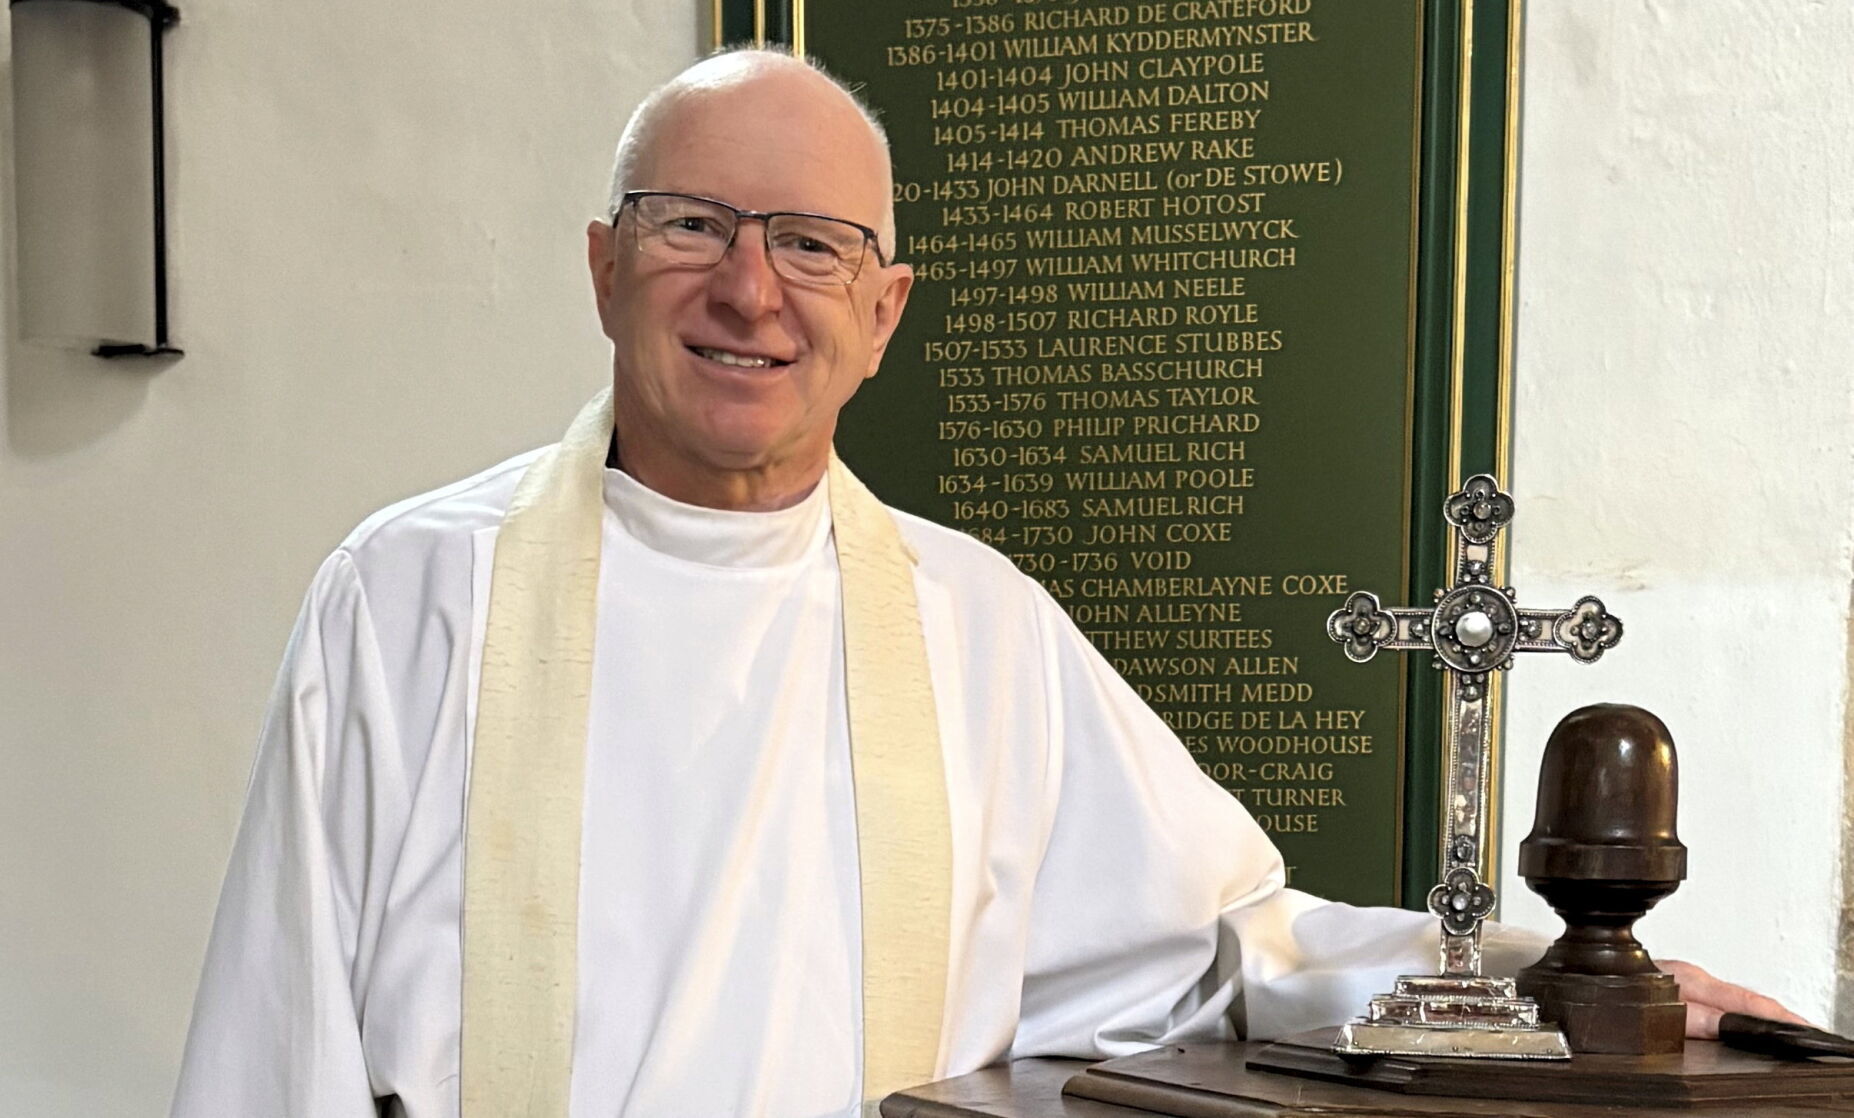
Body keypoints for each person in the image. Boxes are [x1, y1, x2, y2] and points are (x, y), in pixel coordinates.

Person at [171, 49, 1796, 1118]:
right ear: (603, 264)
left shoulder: (976, 627)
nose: (749, 287)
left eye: (810, 244)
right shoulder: (402, 604)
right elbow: (273, 1046)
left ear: (881, 312)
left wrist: (1553, 972)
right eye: (692, 226)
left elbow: (1231, 943)